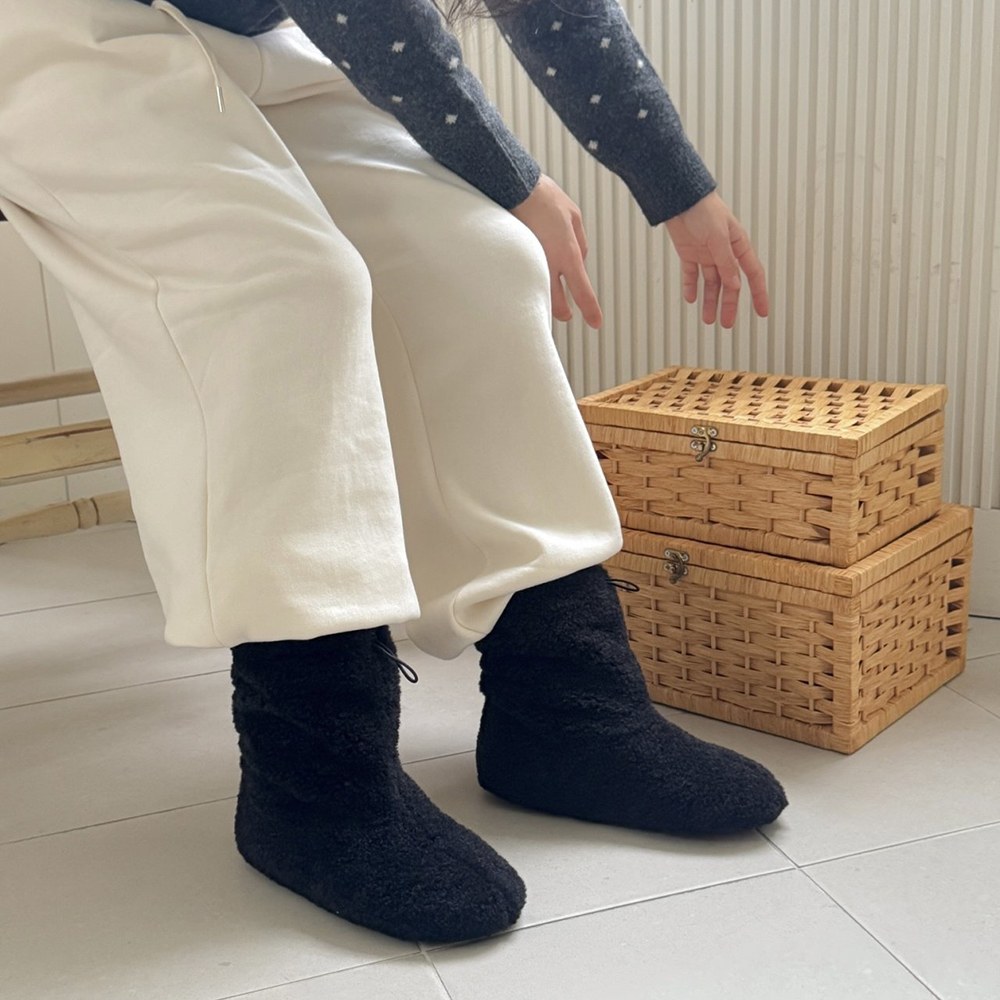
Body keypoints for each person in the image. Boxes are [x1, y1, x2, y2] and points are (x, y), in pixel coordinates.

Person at [0, 0, 784, 944]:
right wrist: (518, 178)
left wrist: (677, 186)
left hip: (248, 27)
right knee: (282, 289)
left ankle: (565, 707)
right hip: (52, 27)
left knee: (479, 255)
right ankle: (311, 787)